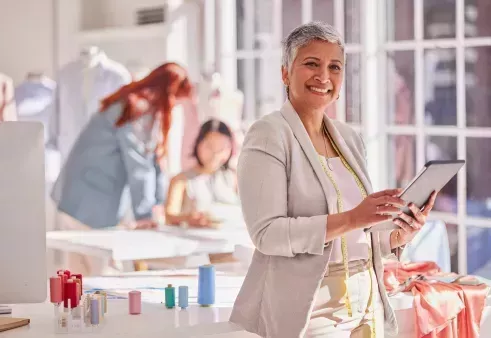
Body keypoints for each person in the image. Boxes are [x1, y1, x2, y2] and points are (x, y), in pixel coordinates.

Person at [229, 22, 438, 338]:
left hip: (367, 307)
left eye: (334, 67)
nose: (323, 76)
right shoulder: (268, 134)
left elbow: (358, 236)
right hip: (313, 314)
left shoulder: (349, 137)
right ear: (286, 73)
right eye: (311, 63)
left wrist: (397, 235)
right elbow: (267, 234)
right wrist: (354, 217)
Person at [50, 62, 193, 274]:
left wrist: (156, 204)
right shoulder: (138, 109)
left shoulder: (127, 100)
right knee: (104, 279)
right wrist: (145, 214)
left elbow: (151, 161)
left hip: (73, 200)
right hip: (92, 207)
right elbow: (140, 165)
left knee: (78, 282)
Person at [165, 118, 239, 228]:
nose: (215, 154)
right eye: (210, 146)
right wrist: (188, 218)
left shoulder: (235, 177)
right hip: (193, 241)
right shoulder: (181, 180)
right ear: (198, 144)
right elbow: (169, 217)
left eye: (221, 148)